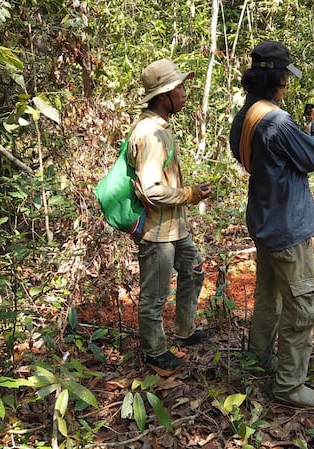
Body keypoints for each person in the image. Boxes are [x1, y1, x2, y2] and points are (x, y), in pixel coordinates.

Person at [229, 41, 314, 407]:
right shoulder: (277, 121)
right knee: (302, 307)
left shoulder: (245, 117)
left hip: (263, 222)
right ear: (280, 79)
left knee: (267, 297)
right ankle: (289, 385)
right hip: (287, 228)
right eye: (286, 77)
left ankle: (259, 360)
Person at [128, 58, 214, 371]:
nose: (184, 93)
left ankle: (186, 331)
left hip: (174, 226)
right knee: (155, 294)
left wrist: (189, 191)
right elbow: (151, 190)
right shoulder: (151, 134)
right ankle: (154, 351)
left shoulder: (160, 128)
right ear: (163, 95)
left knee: (193, 268)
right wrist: (189, 194)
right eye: (179, 87)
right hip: (156, 231)